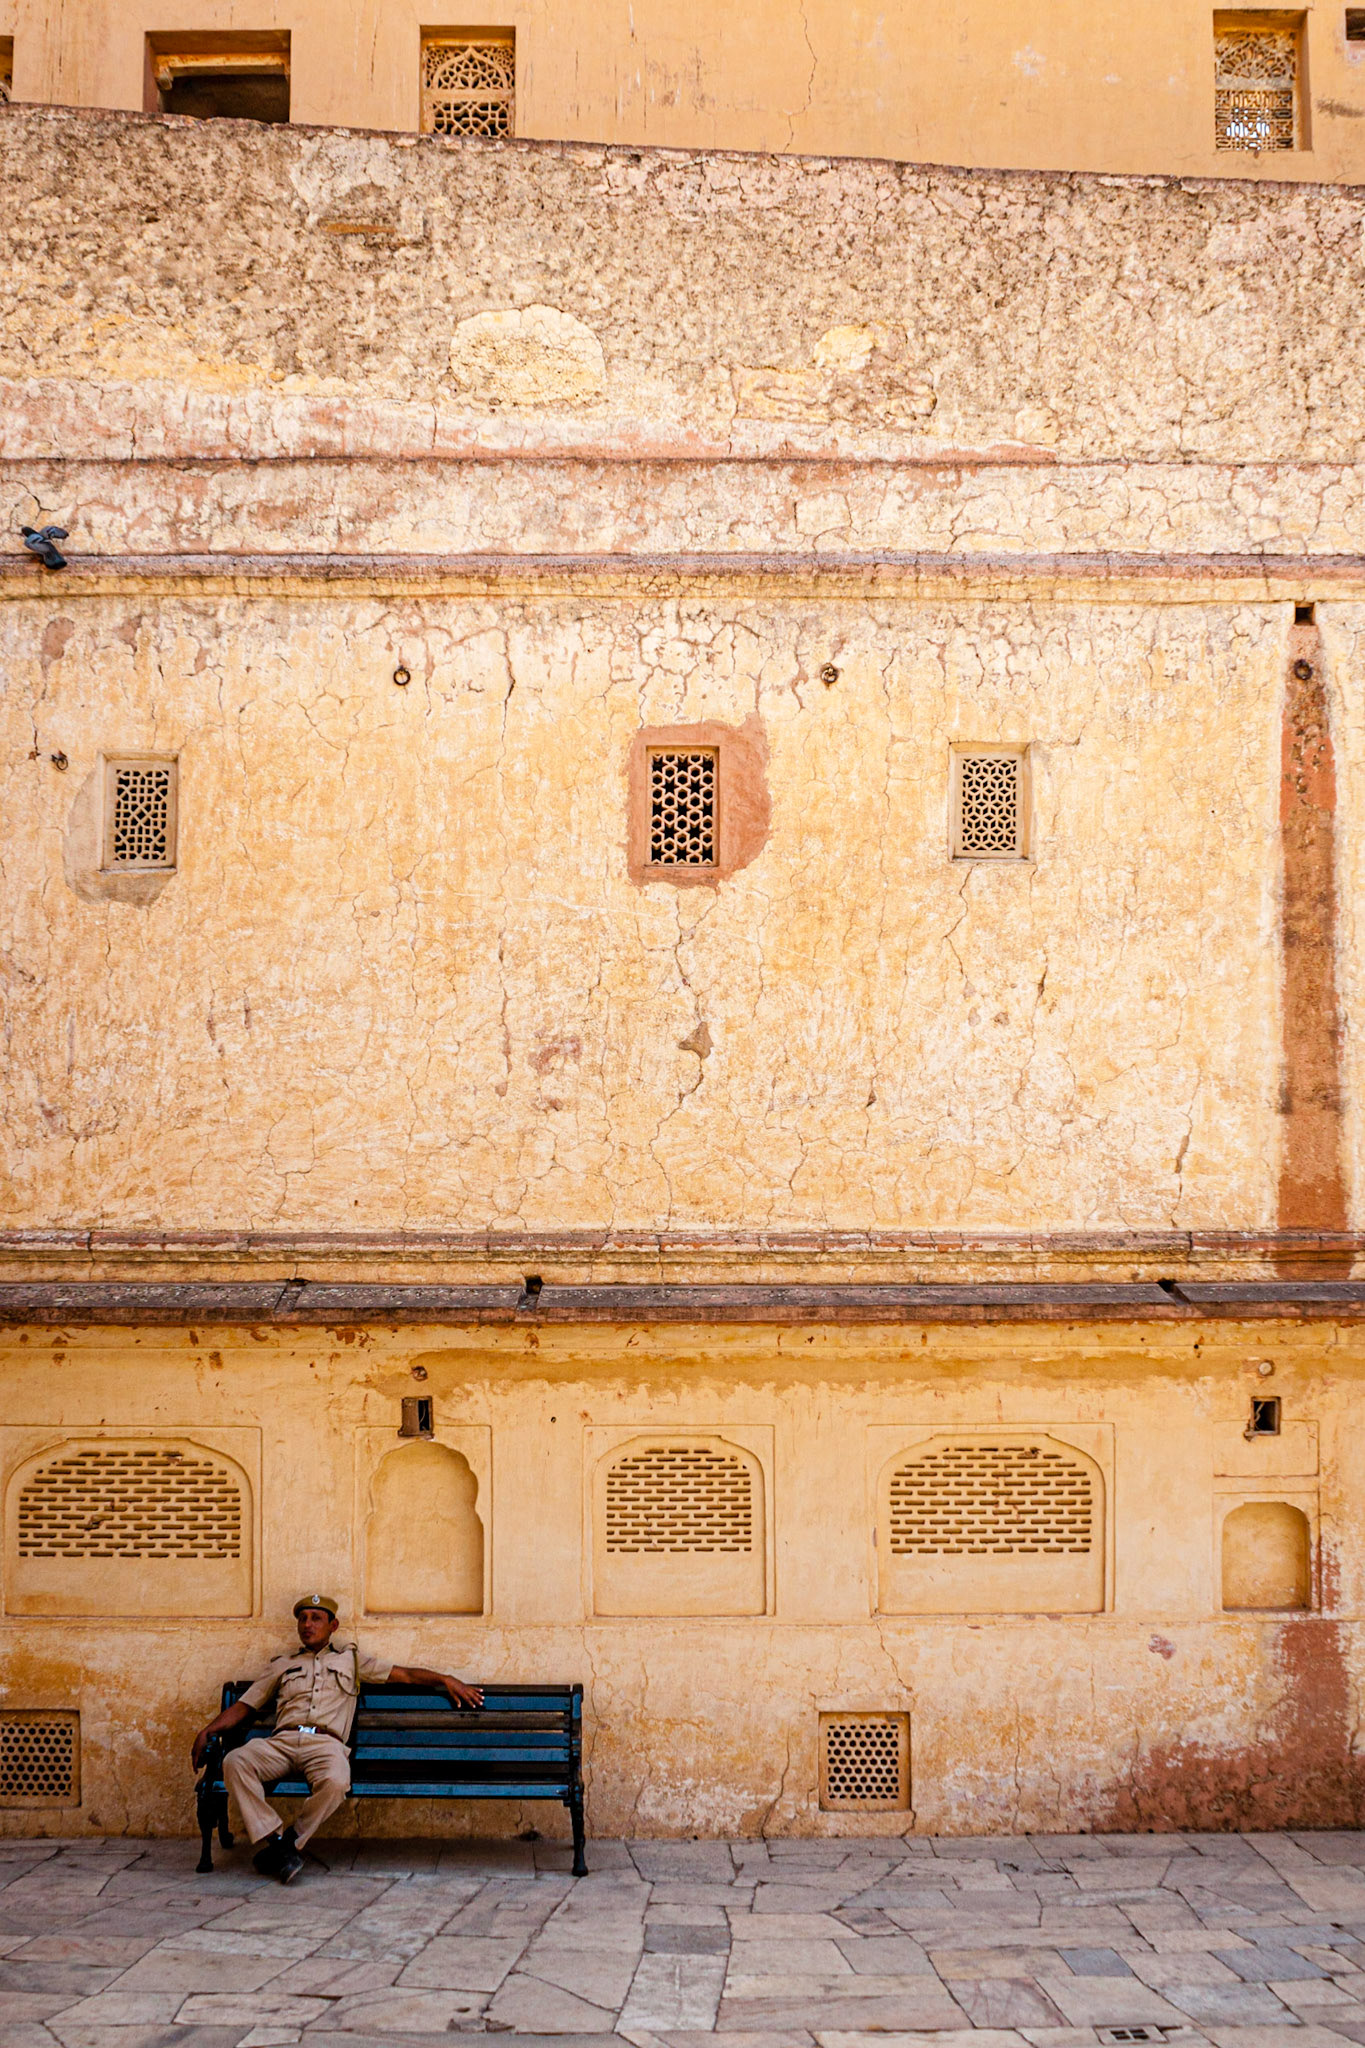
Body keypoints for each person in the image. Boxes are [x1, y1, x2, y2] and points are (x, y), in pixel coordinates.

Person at [190, 1593, 483, 1883]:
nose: (308, 1624)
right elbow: (246, 1705)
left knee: (337, 1781)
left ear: (333, 1626)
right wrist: (208, 1731)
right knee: (236, 1760)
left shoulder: (352, 1661)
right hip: (282, 1743)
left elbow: (404, 1675)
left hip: (325, 1744)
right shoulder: (281, 1664)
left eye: (316, 1618)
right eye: (303, 1619)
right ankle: (277, 1842)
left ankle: (289, 1843)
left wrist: (446, 1680)